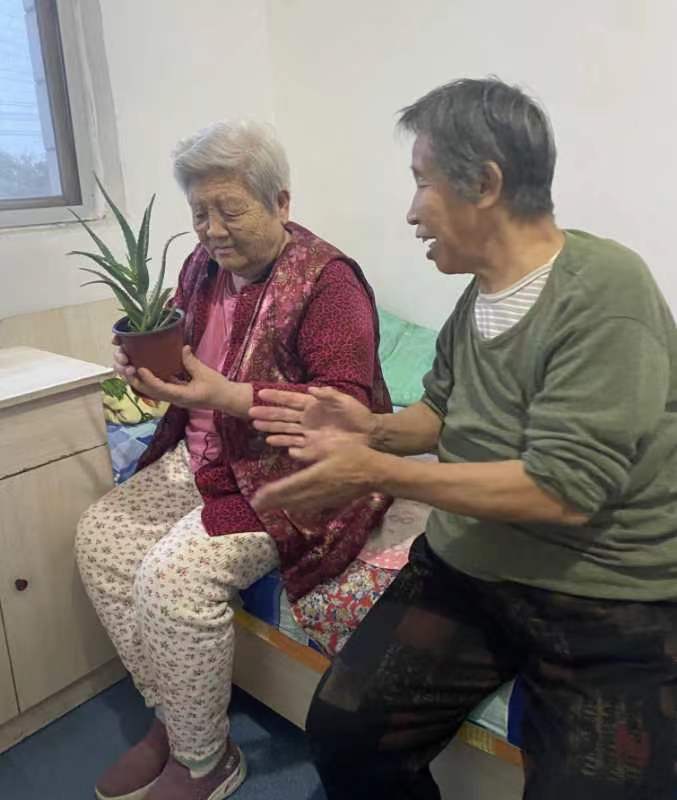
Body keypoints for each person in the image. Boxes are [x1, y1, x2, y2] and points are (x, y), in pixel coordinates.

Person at [249, 79, 677, 799]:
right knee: (345, 729)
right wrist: (372, 428)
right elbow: (441, 412)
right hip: (468, 566)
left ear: (484, 183)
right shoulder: (477, 296)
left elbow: (561, 491)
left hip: (604, 593)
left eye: (422, 182)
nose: (411, 212)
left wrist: (371, 471)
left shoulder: (605, 290)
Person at [75, 120, 391, 800]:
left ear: (281, 203)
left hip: (285, 475)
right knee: (100, 536)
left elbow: (342, 410)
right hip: (202, 457)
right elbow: (181, 357)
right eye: (199, 213)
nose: (212, 231)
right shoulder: (201, 267)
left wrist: (227, 396)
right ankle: (174, 715)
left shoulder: (328, 283)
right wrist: (142, 367)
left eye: (230, 210)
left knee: (172, 579)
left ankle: (204, 759)